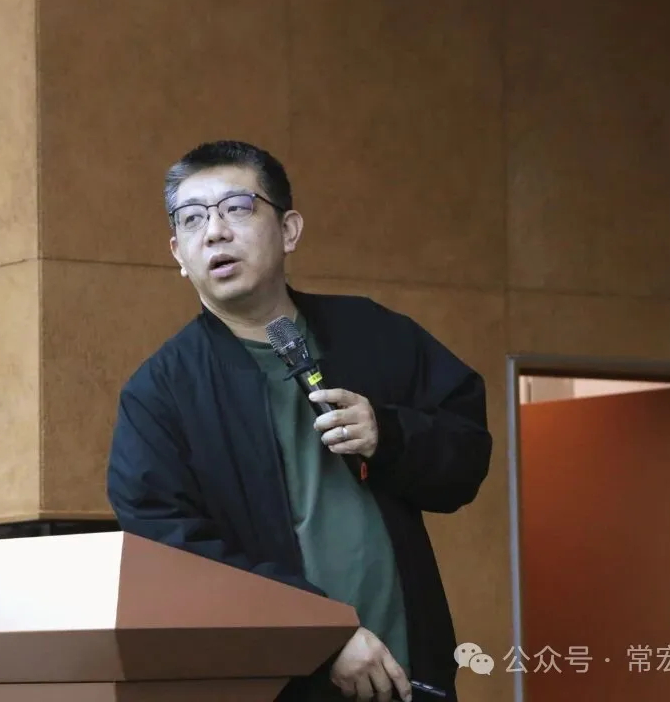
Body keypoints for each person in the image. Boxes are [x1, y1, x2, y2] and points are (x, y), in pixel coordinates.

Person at [106, 140, 493, 702]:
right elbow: (171, 550)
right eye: (191, 219)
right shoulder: (160, 393)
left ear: (288, 230)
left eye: (237, 208)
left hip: (409, 669)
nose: (214, 232)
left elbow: (467, 455)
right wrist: (319, 634)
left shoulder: (372, 333)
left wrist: (388, 435)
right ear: (178, 254)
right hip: (272, 684)